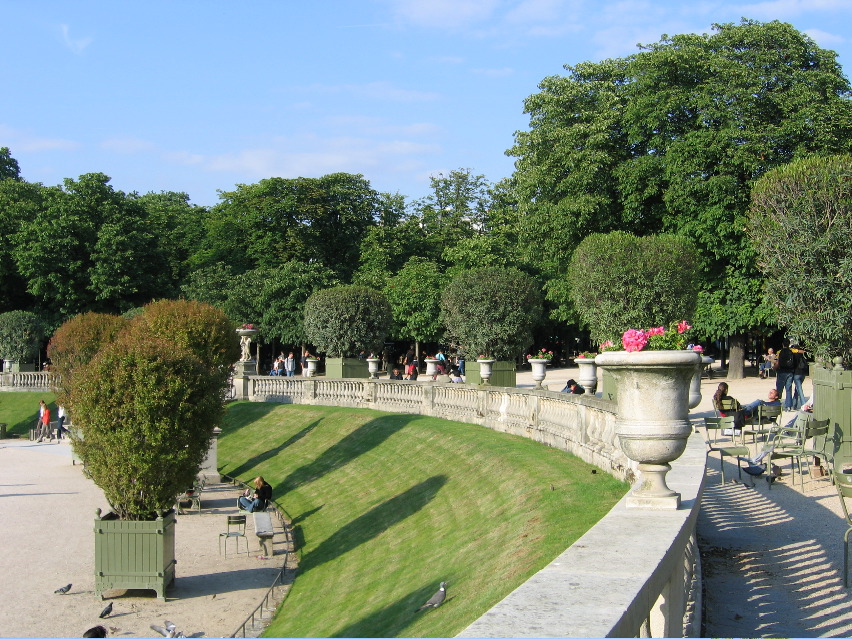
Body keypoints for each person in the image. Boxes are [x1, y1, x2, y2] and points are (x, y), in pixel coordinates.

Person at [775, 338, 797, 410]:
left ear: (782, 344)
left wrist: (774, 368)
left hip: (782, 372)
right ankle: (788, 406)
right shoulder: (791, 352)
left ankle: (777, 404)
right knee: (788, 389)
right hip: (790, 372)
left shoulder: (780, 352)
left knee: (779, 389)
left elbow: (778, 363)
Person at [791, 344, 809, 410]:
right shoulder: (802, 355)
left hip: (796, 373)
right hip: (803, 373)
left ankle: (803, 403)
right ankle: (794, 404)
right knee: (797, 389)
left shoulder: (794, 355)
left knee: (799, 389)